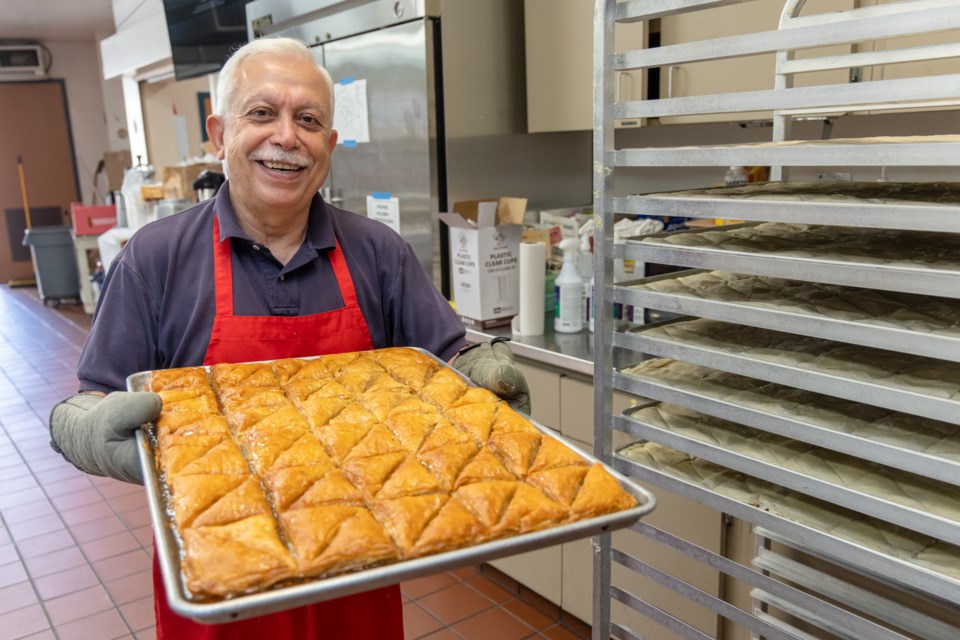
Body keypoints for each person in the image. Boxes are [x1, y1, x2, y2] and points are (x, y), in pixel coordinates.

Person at [48, 36, 528, 640]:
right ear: (219, 134)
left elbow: (448, 355)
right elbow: (90, 400)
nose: (286, 137)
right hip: (219, 577)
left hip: (357, 567)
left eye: (308, 121)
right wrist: (87, 431)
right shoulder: (156, 258)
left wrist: (481, 365)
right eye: (261, 113)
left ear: (329, 146)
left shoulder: (378, 252)